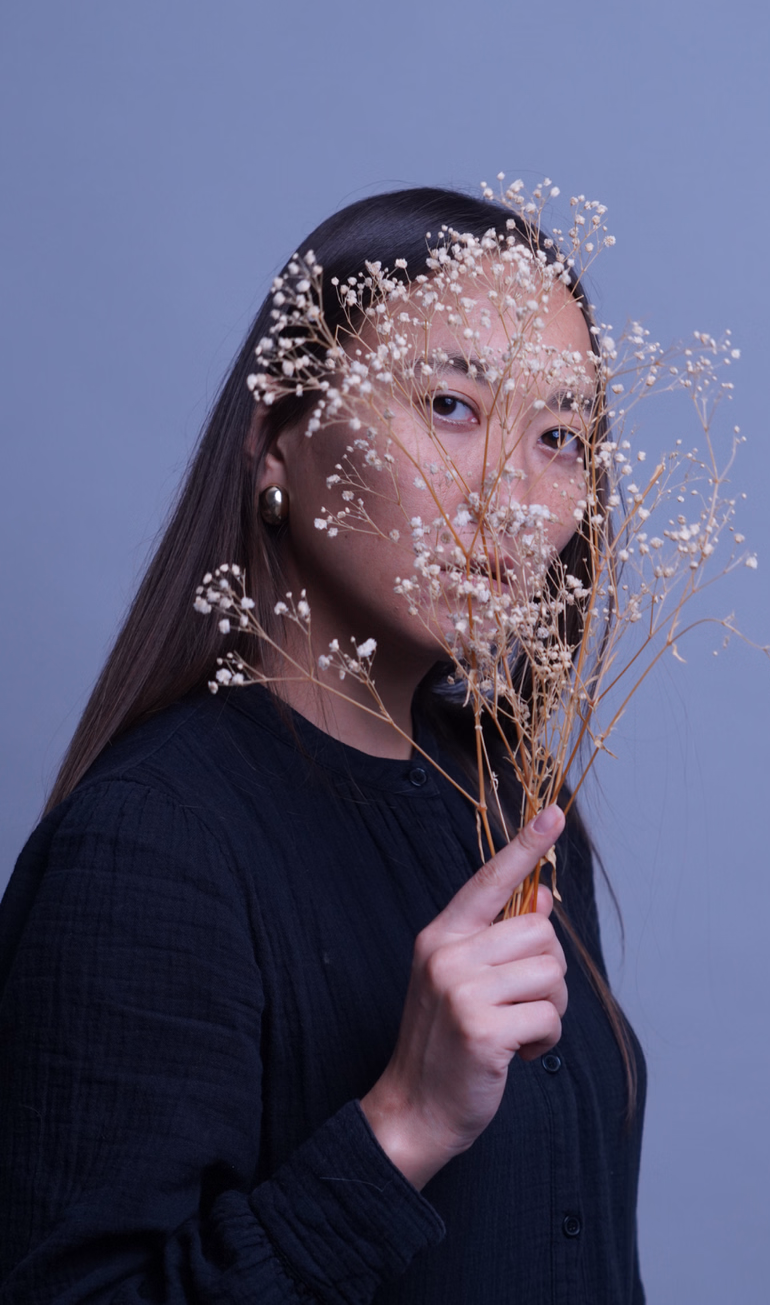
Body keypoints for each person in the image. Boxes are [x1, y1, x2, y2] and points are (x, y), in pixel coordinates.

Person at [0, 187, 646, 1303]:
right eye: (450, 403)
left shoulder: (509, 803)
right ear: (275, 444)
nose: (511, 491)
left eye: (557, 436)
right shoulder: (152, 847)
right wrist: (402, 1126)